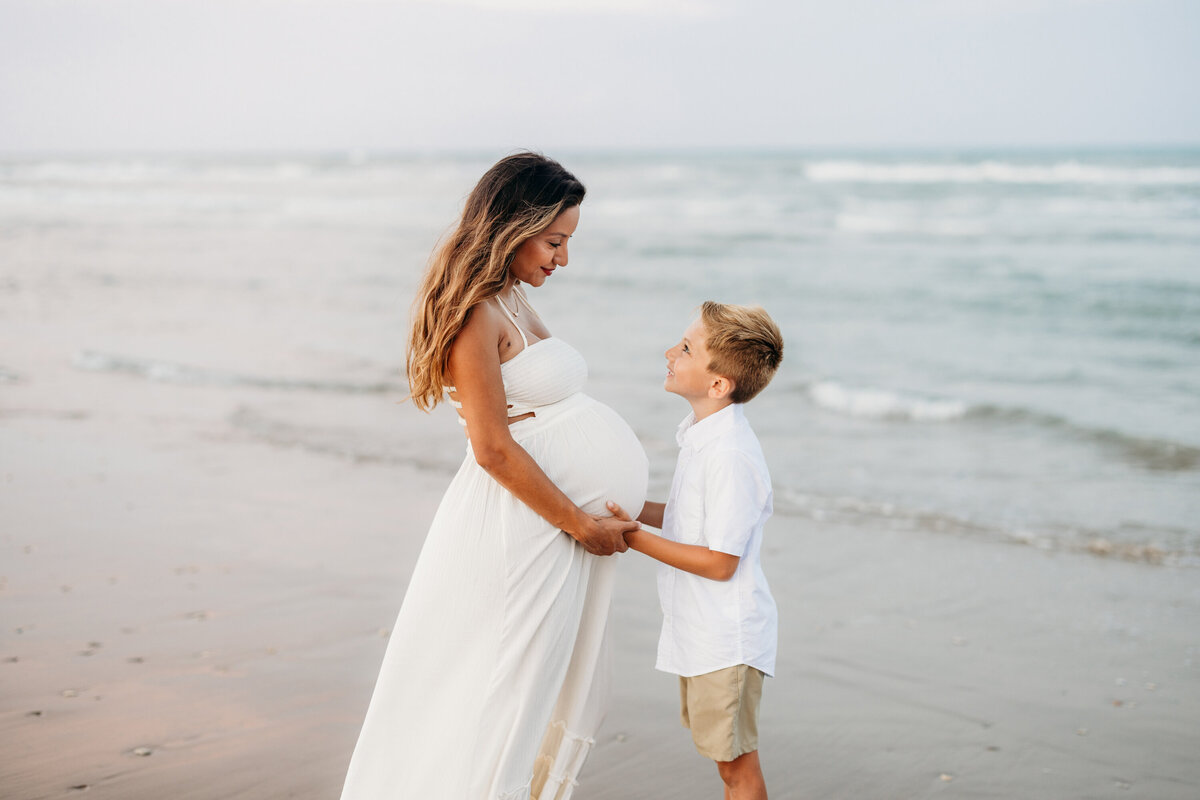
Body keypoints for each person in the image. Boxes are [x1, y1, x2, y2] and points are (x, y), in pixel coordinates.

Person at [340, 153, 648, 800]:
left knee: (531, 694)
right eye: (556, 241)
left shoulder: (511, 296)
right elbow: (492, 449)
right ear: (512, 225)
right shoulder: (475, 315)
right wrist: (580, 523)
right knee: (500, 698)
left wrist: (636, 509)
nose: (562, 260)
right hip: (519, 533)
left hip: (550, 529)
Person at [607, 301, 783, 800]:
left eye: (685, 348)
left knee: (735, 767)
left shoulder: (729, 454)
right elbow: (689, 521)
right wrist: (634, 511)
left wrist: (630, 537)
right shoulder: (704, 437)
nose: (669, 351)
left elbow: (720, 563)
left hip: (726, 636)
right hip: (702, 631)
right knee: (723, 759)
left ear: (719, 384)